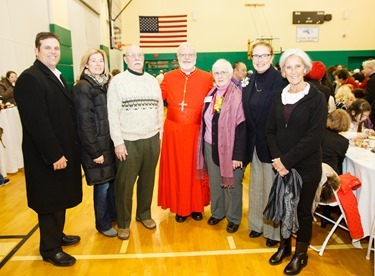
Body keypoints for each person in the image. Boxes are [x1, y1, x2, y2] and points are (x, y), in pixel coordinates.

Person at [14, 32, 82, 267]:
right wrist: (54, 154)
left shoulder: (55, 75)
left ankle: (57, 236)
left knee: (59, 196)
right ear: (36, 51)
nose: (53, 52)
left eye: (56, 48)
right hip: (47, 155)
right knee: (49, 200)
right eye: (47, 48)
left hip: (62, 150)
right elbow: (37, 122)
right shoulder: (30, 78)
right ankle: (50, 249)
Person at [266, 48, 327, 275]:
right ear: (283, 71)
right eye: (288, 67)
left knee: (302, 211)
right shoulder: (278, 96)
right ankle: (284, 247)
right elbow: (270, 131)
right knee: (284, 207)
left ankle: (301, 254)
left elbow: (314, 137)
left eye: (297, 66)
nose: (293, 71)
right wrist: (278, 159)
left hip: (306, 167)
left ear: (305, 68)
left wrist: (286, 161)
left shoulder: (317, 98)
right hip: (282, 166)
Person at [107, 45, 164, 240]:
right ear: (126, 59)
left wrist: (160, 135)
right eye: (132, 55)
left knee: (148, 181)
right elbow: (112, 115)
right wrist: (118, 142)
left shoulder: (152, 81)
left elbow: (159, 109)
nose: (136, 58)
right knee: (124, 185)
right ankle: (123, 223)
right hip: (128, 141)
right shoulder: (118, 82)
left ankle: (144, 214)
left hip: (151, 138)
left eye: (139, 55)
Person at [158, 42, 213, 223]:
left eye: (190, 54)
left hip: (197, 132)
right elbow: (156, 98)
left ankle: (197, 207)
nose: (187, 58)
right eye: (183, 55)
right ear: (177, 57)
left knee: (197, 170)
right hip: (173, 133)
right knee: (178, 170)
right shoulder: (168, 76)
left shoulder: (206, 78)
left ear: (195, 56)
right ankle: (181, 208)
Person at [242, 41, 286, 247]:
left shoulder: (280, 81)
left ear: (272, 57)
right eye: (256, 56)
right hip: (254, 145)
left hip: (272, 146)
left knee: (271, 189)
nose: (260, 60)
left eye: (264, 55)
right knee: (256, 187)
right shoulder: (249, 80)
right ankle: (256, 225)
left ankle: (272, 231)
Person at [197, 59, 246, 233]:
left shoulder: (237, 95)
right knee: (216, 181)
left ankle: (233, 217)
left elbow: (242, 127)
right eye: (216, 73)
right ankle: (218, 212)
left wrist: (238, 155)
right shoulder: (211, 93)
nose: (220, 76)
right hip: (211, 144)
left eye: (223, 72)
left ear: (231, 74)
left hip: (231, 149)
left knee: (231, 184)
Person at [73, 49, 117, 238]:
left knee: (111, 183)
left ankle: (112, 216)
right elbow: (85, 124)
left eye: (101, 60)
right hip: (96, 147)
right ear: (86, 64)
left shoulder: (104, 85)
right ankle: (103, 223)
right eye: (94, 60)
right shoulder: (83, 87)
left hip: (109, 143)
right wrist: (95, 151)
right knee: (102, 185)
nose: (98, 64)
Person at [320, 109, 351, 228]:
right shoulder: (343, 142)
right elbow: (340, 162)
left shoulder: (318, 133)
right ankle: (326, 215)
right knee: (338, 174)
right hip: (328, 182)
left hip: (312, 174)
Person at [362, 59, 375, 129]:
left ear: (370, 69)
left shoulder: (372, 80)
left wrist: (357, 102)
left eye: (364, 68)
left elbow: (369, 97)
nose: (363, 71)